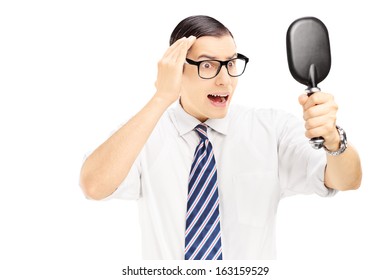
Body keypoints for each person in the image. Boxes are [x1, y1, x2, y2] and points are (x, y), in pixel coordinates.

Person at [79, 15, 362, 260]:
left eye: (231, 63)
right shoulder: (145, 134)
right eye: (208, 65)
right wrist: (162, 96)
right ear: (176, 68)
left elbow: (347, 180)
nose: (225, 80)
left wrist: (334, 140)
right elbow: (93, 185)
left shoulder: (271, 129)